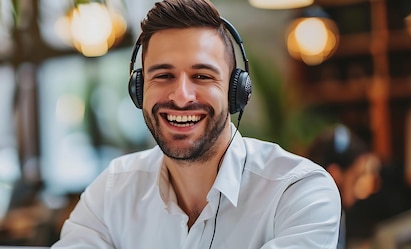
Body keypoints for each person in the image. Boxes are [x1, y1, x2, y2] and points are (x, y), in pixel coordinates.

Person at [52, 0, 341, 248]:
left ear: (235, 92)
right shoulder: (113, 189)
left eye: (202, 76)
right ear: (139, 89)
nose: (181, 96)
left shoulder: (298, 191)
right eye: (163, 75)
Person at [307, 124, 381, 249]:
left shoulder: (334, 211)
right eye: (356, 177)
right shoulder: (312, 220)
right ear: (334, 174)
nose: (362, 191)